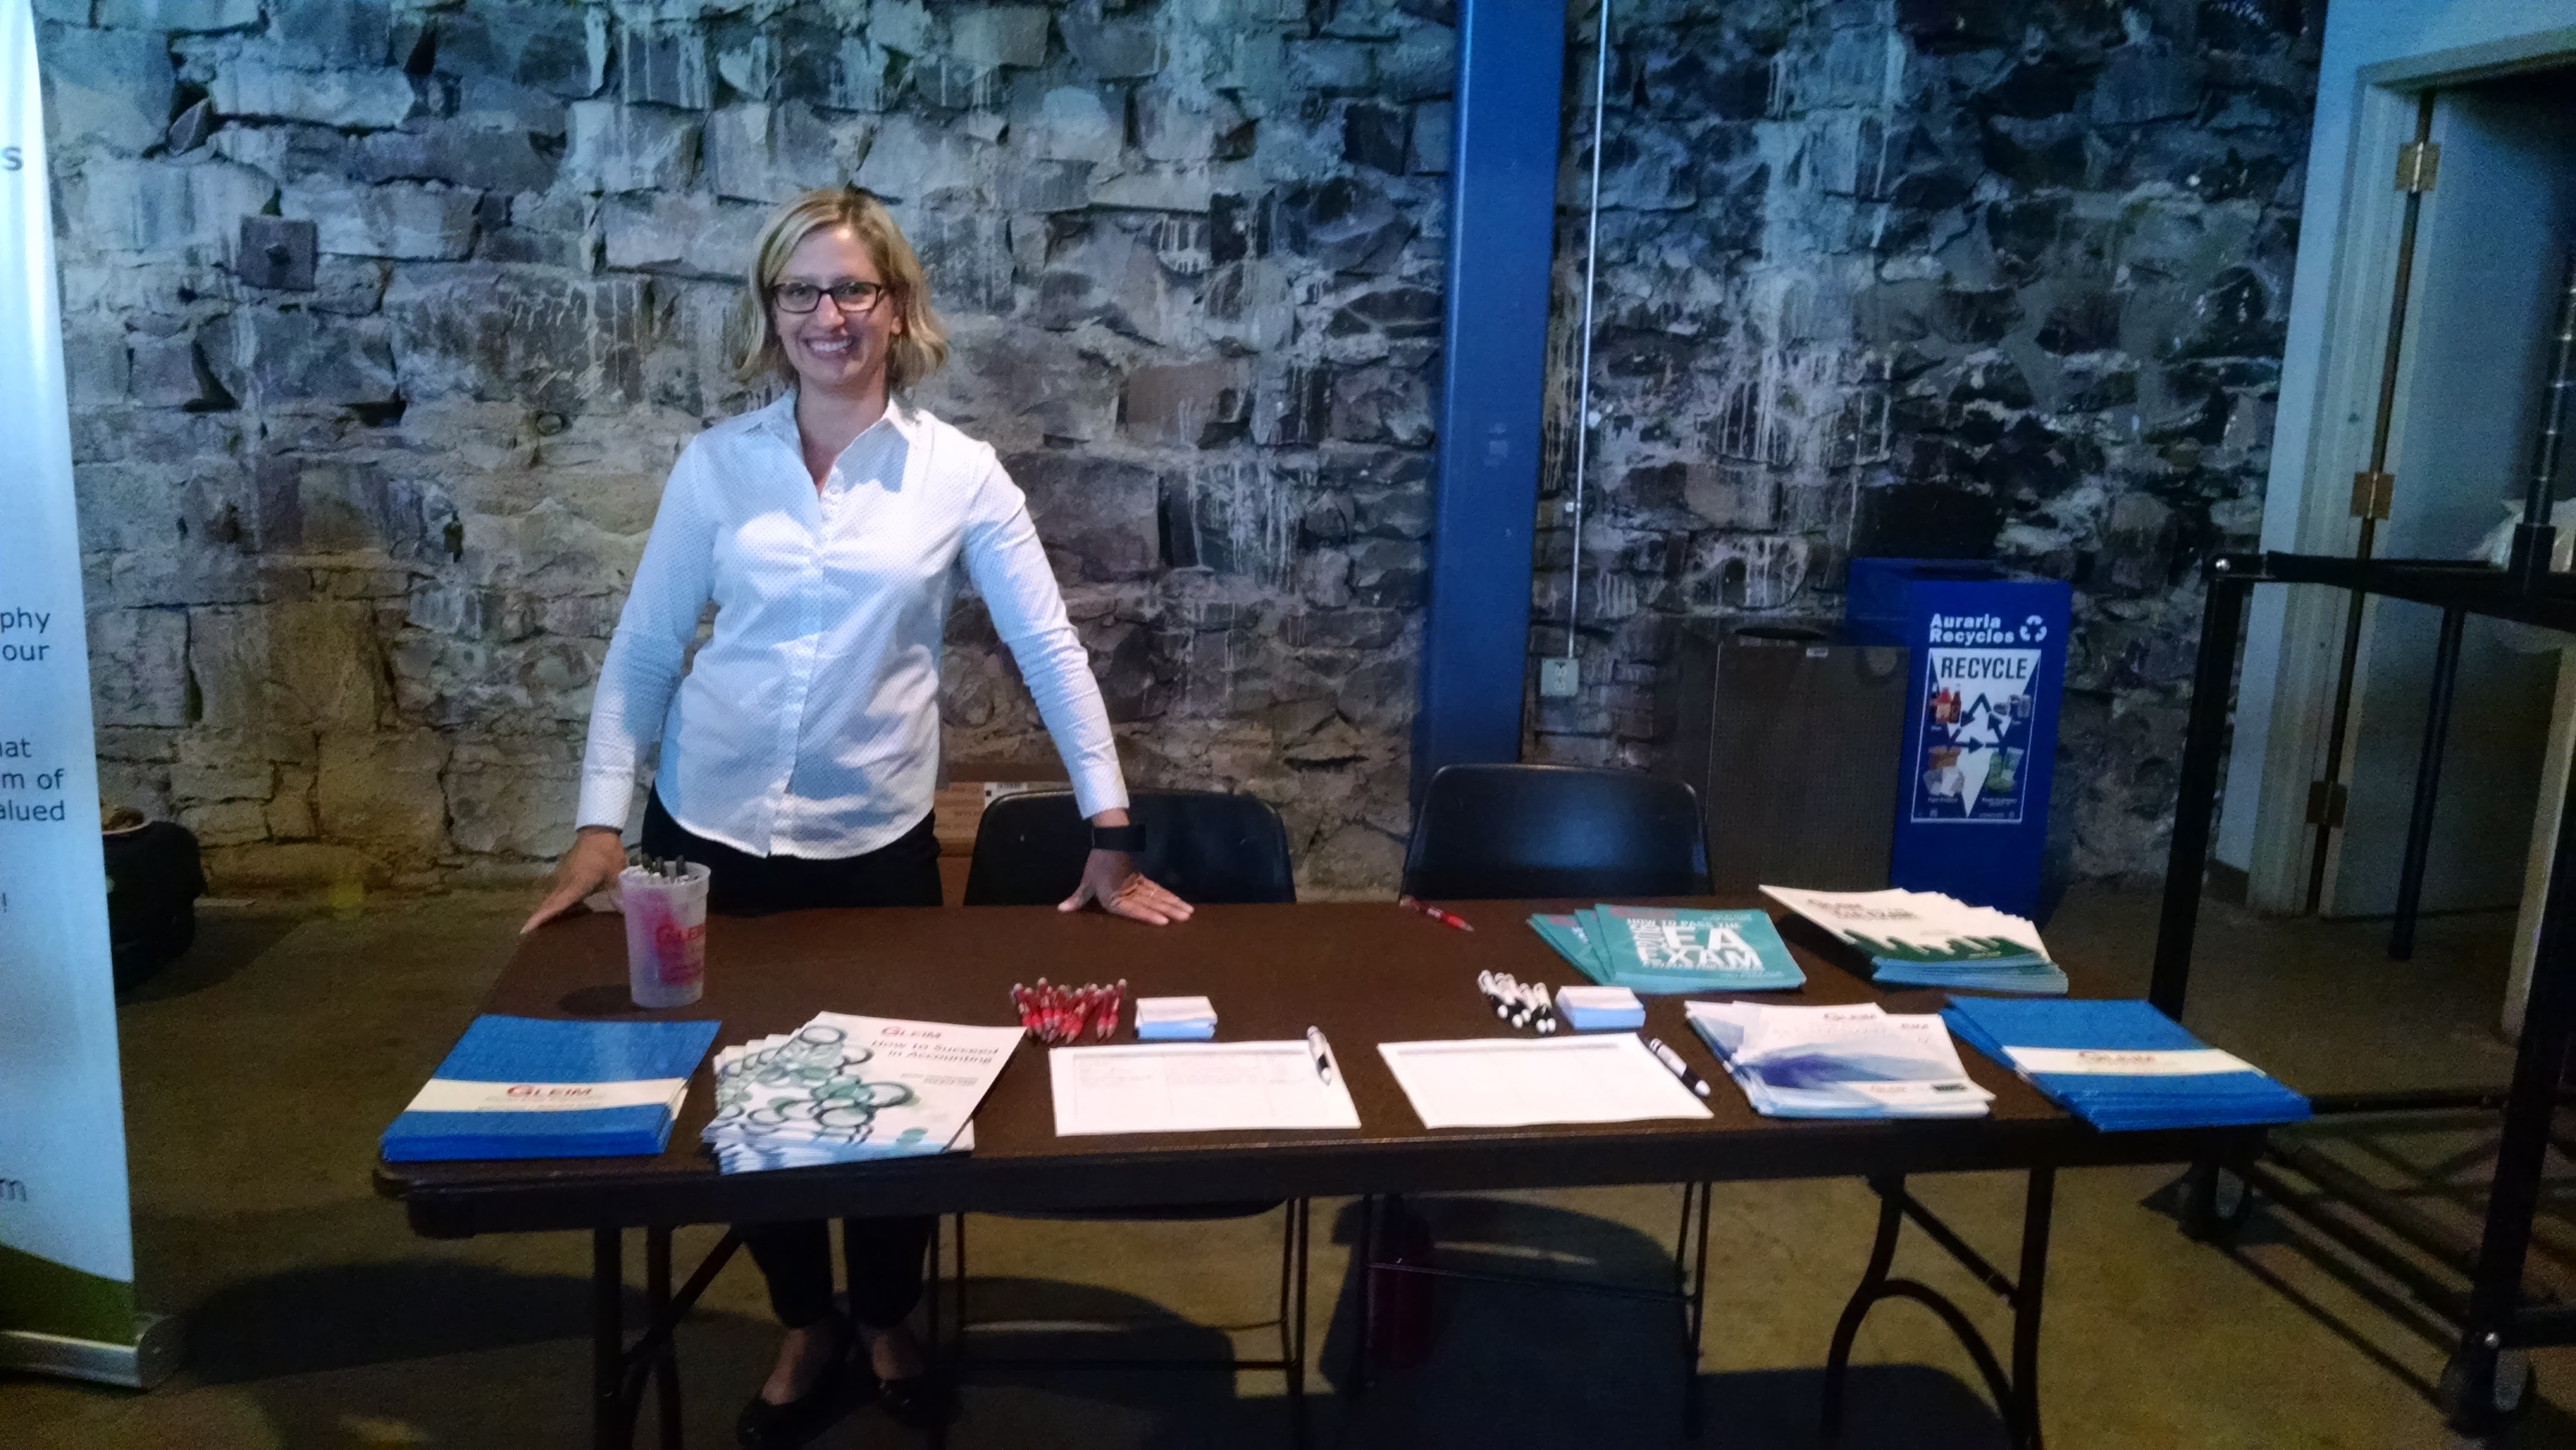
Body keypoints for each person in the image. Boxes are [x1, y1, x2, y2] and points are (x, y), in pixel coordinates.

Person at [522, 185, 1193, 1448]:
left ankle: (887, 1313)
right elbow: (648, 650)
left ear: (897, 306)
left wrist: (1110, 828)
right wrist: (602, 823)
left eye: (853, 291)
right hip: (710, 832)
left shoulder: (959, 475)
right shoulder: (717, 467)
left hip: (870, 839)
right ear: (770, 312)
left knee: (891, 1099)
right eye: (801, 293)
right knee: (745, 1096)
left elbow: (1048, 646)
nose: (828, 316)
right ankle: (803, 1317)